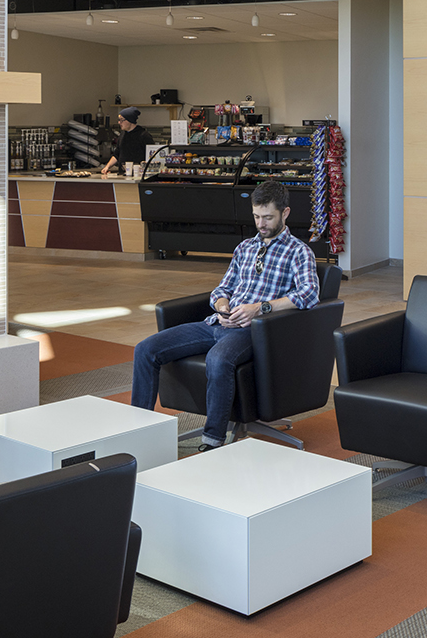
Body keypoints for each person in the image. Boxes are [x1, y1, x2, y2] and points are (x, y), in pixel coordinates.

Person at [130, 179, 319, 448]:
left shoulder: (299, 252)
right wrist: (221, 305)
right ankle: (138, 431)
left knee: (218, 360)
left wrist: (259, 309)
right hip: (217, 322)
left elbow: (309, 295)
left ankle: (213, 439)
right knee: (145, 349)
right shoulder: (244, 248)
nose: (261, 224)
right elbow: (222, 288)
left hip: (254, 331)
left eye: (268, 217)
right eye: (256, 216)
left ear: (285, 213)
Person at [101, 107, 154, 178]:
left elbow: (151, 156)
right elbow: (117, 154)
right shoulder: (122, 135)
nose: (119, 122)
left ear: (130, 120)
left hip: (138, 175)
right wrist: (107, 167)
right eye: (119, 120)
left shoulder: (144, 135)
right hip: (122, 174)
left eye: (122, 120)